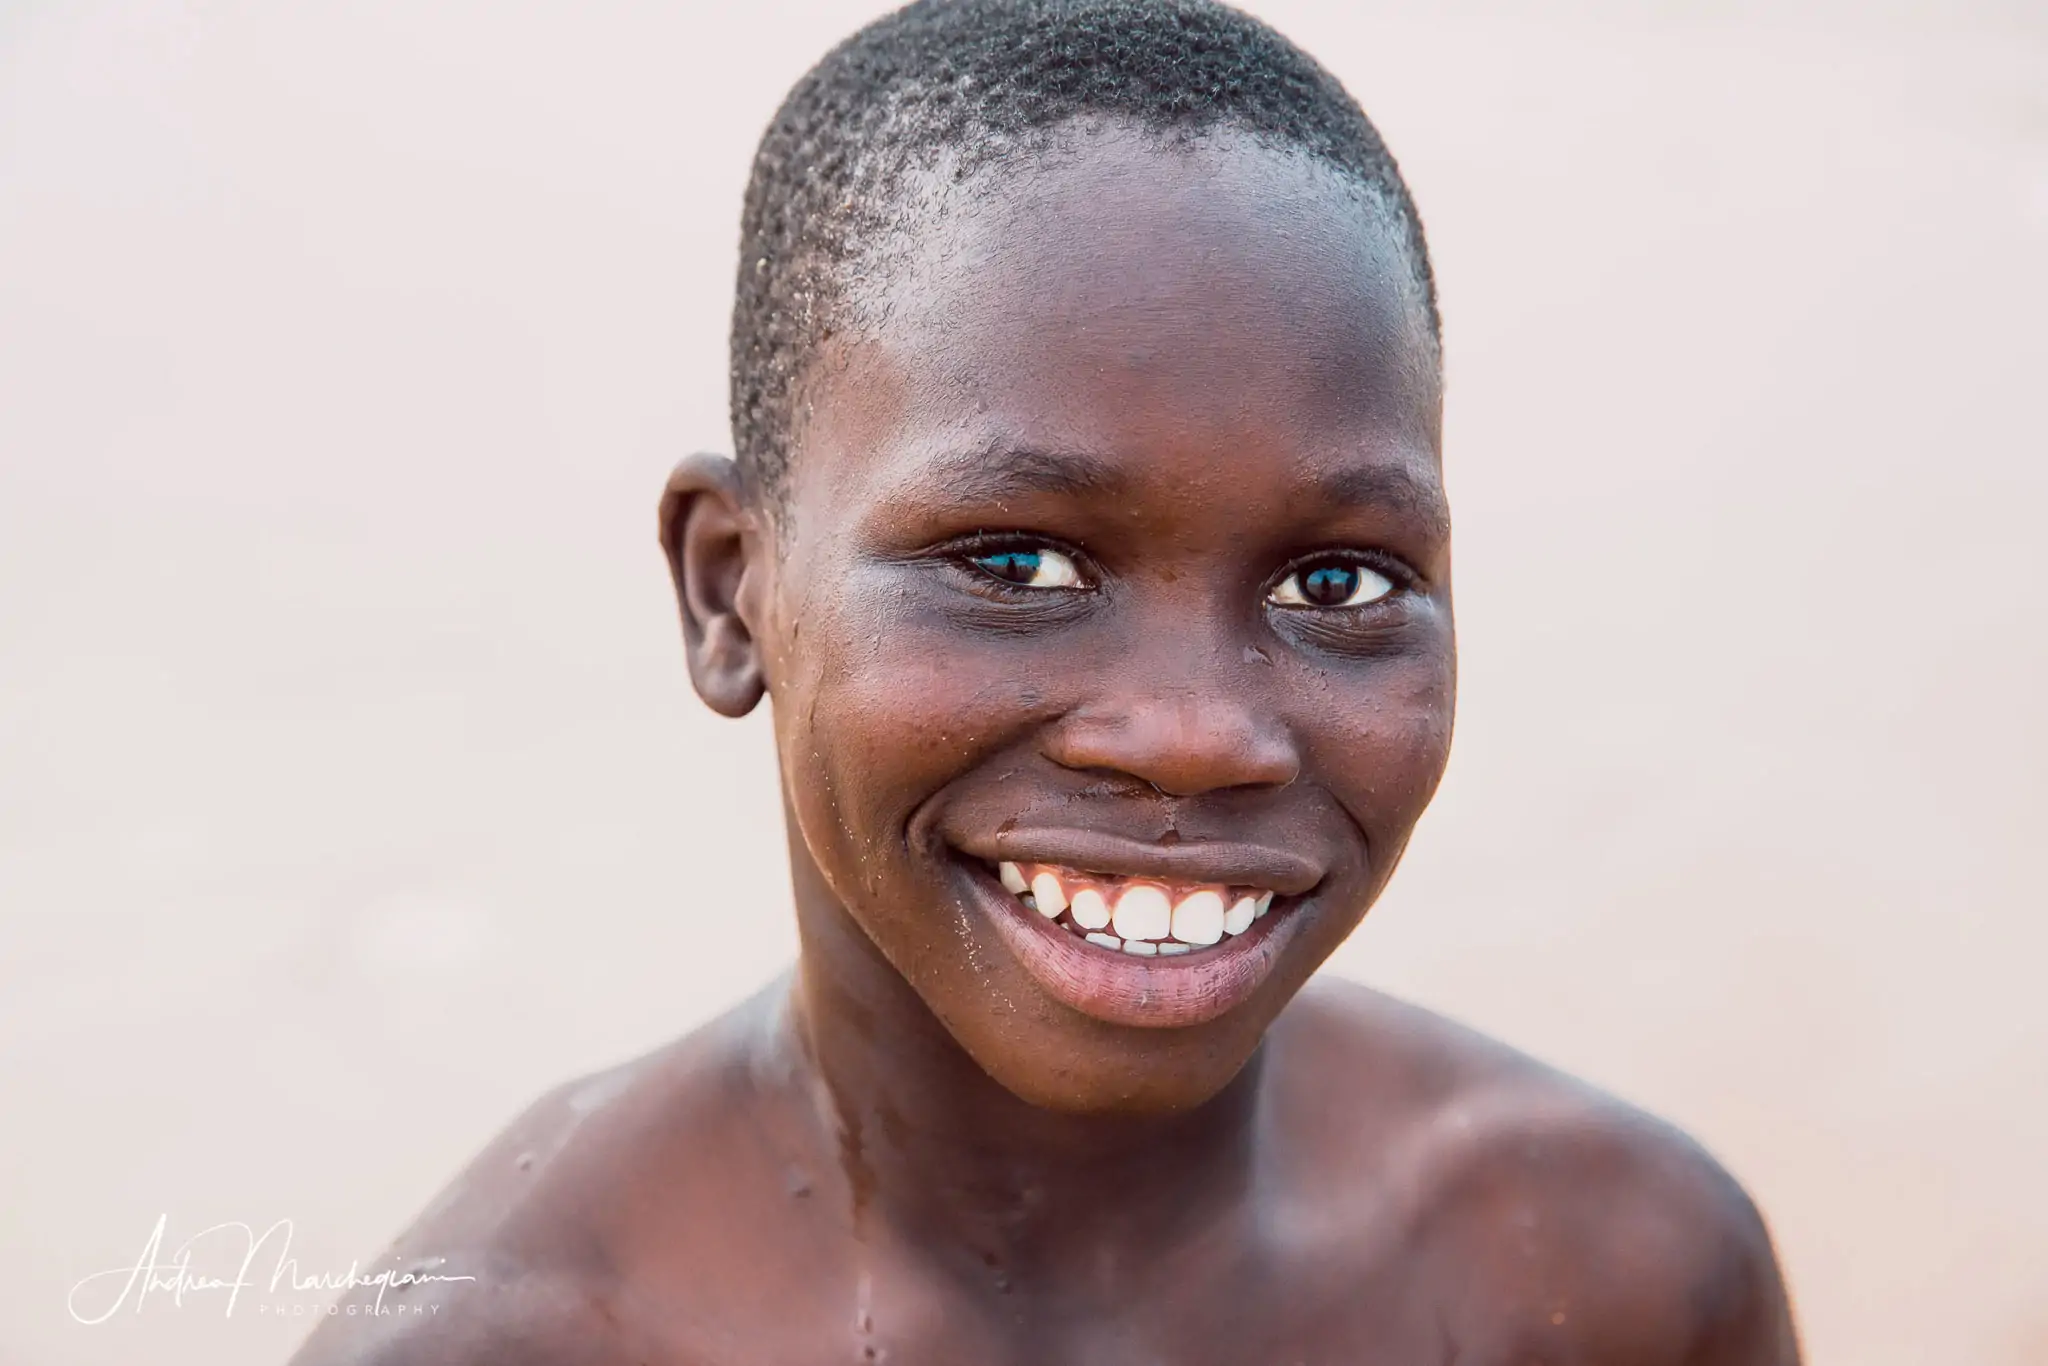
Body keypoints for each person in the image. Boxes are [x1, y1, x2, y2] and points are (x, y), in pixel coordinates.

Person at [291, 1, 1802, 1361]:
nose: (1198, 735)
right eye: (1014, 565)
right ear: (730, 588)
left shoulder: (1619, 1279)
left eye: (1331, 582)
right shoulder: (507, 1341)